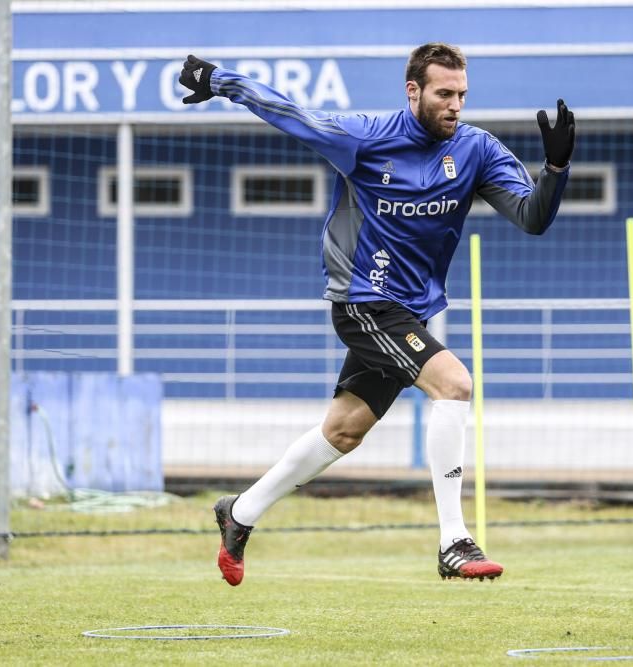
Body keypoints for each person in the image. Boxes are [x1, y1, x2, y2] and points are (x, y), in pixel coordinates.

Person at [178, 42, 575, 586]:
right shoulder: (365, 136)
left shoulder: (477, 150)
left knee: (343, 431)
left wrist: (555, 168)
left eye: (461, 94)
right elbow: (292, 114)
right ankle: (454, 540)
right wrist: (222, 80)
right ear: (413, 91)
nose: (454, 105)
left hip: (409, 313)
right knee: (454, 385)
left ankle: (239, 513)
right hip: (363, 301)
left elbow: (532, 217)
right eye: (443, 94)